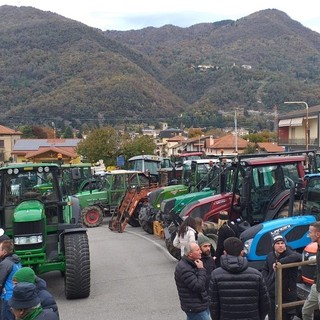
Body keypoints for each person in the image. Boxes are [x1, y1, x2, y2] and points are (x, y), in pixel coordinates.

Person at [209, 237, 270, 320]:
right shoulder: (256, 275)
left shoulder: (216, 275)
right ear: (242, 253)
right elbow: (265, 303)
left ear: (225, 252)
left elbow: (213, 305)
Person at [261, 234, 302, 320]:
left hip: (287, 295)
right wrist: (267, 281)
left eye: (282, 243)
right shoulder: (270, 256)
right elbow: (265, 269)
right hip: (272, 294)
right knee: (272, 316)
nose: (280, 245)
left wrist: (279, 262)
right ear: (273, 245)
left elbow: (298, 256)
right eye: (278, 243)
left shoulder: (290, 253)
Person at [174, 241, 211, 320]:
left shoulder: (193, 263)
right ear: (190, 254)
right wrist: (201, 269)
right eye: (197, 250)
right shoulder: (184, 268)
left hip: (200, 303)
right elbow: (198, 286)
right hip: (195, 307)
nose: (200, 251)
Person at [302, 221, 320, 320]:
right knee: (306, 311)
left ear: (317, 234)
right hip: (316, 285)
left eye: (310, 232)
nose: (309, 235)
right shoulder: (317, 247)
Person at [0, 240, 21, 320]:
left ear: (4, 252)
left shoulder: (5, 264)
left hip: (7, 298)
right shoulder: (16, 260)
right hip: (15, 295)